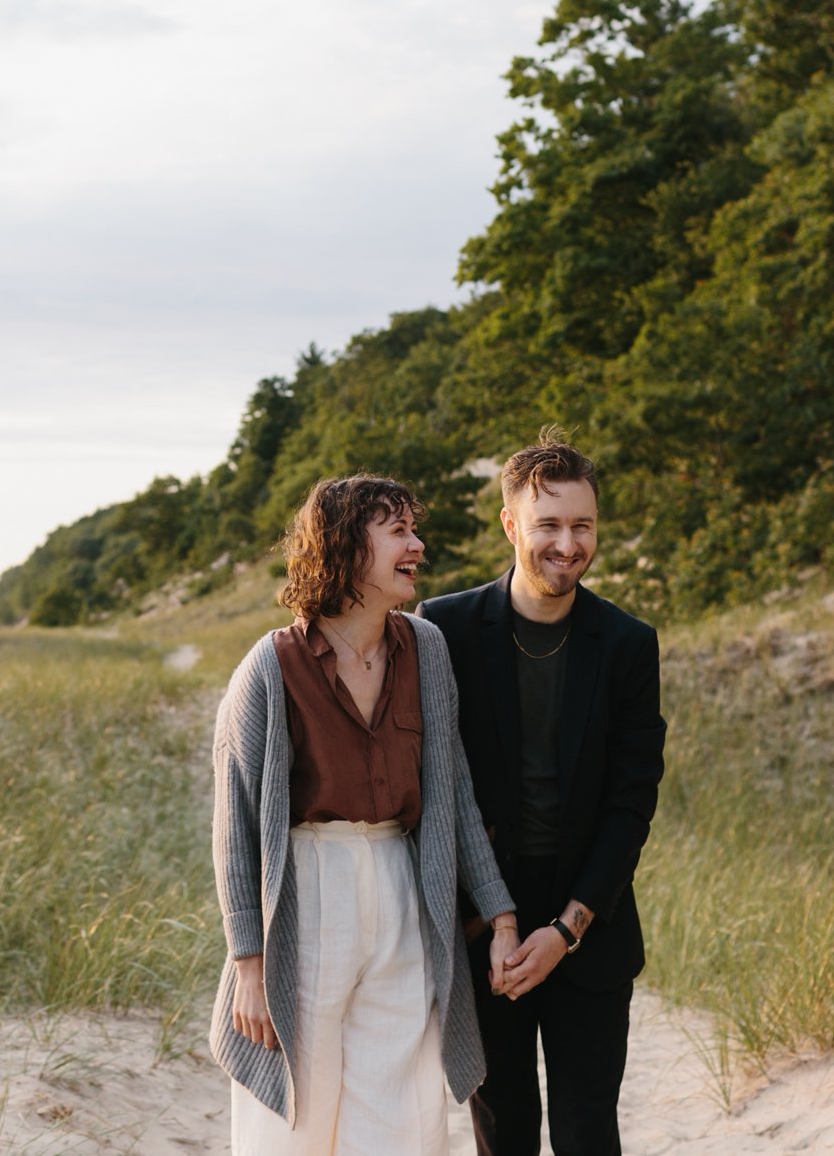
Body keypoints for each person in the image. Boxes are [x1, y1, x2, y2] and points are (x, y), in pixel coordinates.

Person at [211, 473, 524, 1156]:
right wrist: (249, 965)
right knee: (299, 1110)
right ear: (348, 547)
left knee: (402, 1107)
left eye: (415, 529)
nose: (417, 544)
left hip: (402, 882)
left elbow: (455, 793)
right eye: (399, 531)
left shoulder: (426, 648)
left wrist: (500, 913)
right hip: (307, 887)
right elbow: (236, 828)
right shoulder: (270, 665)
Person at [420, 433, 666, 1156]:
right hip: (481, 930)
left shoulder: (628, 642)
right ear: (510, 524)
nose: (568, 542)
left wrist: (566, 929)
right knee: (505, 1134)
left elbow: (632, 802)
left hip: (591, 921)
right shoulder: (445, 627)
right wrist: (493, 917)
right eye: (548, 524)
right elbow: (437, 785)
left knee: (590, 1131)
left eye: (582, 525)